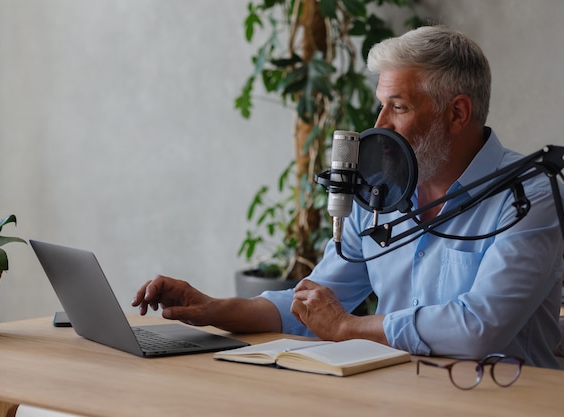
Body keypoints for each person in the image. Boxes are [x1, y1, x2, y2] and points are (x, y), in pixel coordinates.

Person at [132, 25, 564, 368]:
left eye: (398, 107)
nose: (378, 126)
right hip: (395, 394)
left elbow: (477, 329)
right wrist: (213, 308)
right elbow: (311, 303)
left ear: (457, 113)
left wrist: (346, 327)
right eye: (381, 105)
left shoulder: (531, 196)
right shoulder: (376, 194)